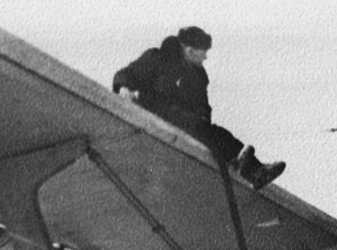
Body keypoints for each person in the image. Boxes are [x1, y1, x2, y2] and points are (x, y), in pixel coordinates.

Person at [112, 26, 286, 190]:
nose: (205, 58)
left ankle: (252, 168)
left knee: (216, 133)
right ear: (190, 51)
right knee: (213, 133)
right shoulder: (158, 58)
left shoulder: (198, 75)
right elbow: (126, 74)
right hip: (156, 112)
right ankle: (252, 169)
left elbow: (203, 105)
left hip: (185, 120)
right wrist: (123, 88)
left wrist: (203, 118)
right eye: (203, 53)